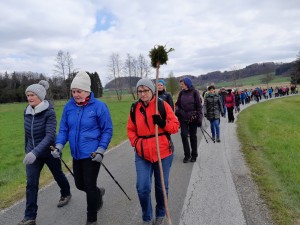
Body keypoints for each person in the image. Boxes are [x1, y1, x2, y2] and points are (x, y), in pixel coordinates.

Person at [51, 71, 113, 225]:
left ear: (87, 91)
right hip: (76, 154)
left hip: (92, 154)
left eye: (79, 91)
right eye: (73, 91)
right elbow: (64, 129)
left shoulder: (99, 106)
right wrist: (59, 146)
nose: (75, 94)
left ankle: (91, 219)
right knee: (80, 184)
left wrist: (101, 150)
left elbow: (107, 130)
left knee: (89, 185)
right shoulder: (69, 106)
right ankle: (98, 193)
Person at [127, 78, 180, 225]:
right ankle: (146, 217)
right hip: (142, 153)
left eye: (146, 90)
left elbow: (175, 126)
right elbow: (131, 130)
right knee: (142, 187)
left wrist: (162, 123)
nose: (142, 94)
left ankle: (161, 212)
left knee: (161, 187)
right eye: (140, 91)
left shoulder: (162, 106)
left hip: (163, 152)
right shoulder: (134, 108)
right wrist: (136, 143)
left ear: (152, 91)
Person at [19, 80, 71, 225]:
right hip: (32, 153)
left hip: (49, 151)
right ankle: (30, 217)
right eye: (28, 95)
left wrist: (34, 152)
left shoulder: (49, 112)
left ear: (40, 96)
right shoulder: (27, 111)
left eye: (32, 95)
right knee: (31, 183)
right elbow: (27, 133)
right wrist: (27, 150)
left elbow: (49, 136)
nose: (29, 98)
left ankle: (66, 193)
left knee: (57, 174)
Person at [175, 77, 203, 163]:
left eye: (182, 84)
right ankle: (187, 155)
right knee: (183, 135)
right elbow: (178, 104)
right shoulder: (181, 93)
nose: (181, 85)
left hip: (193, 118)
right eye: (181, 84)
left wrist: (199, 118)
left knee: (193, 137)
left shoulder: (195, 92)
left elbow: (199, 106)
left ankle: (194, 155)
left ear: (187, 84)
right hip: (183, 118)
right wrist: (178, 111)